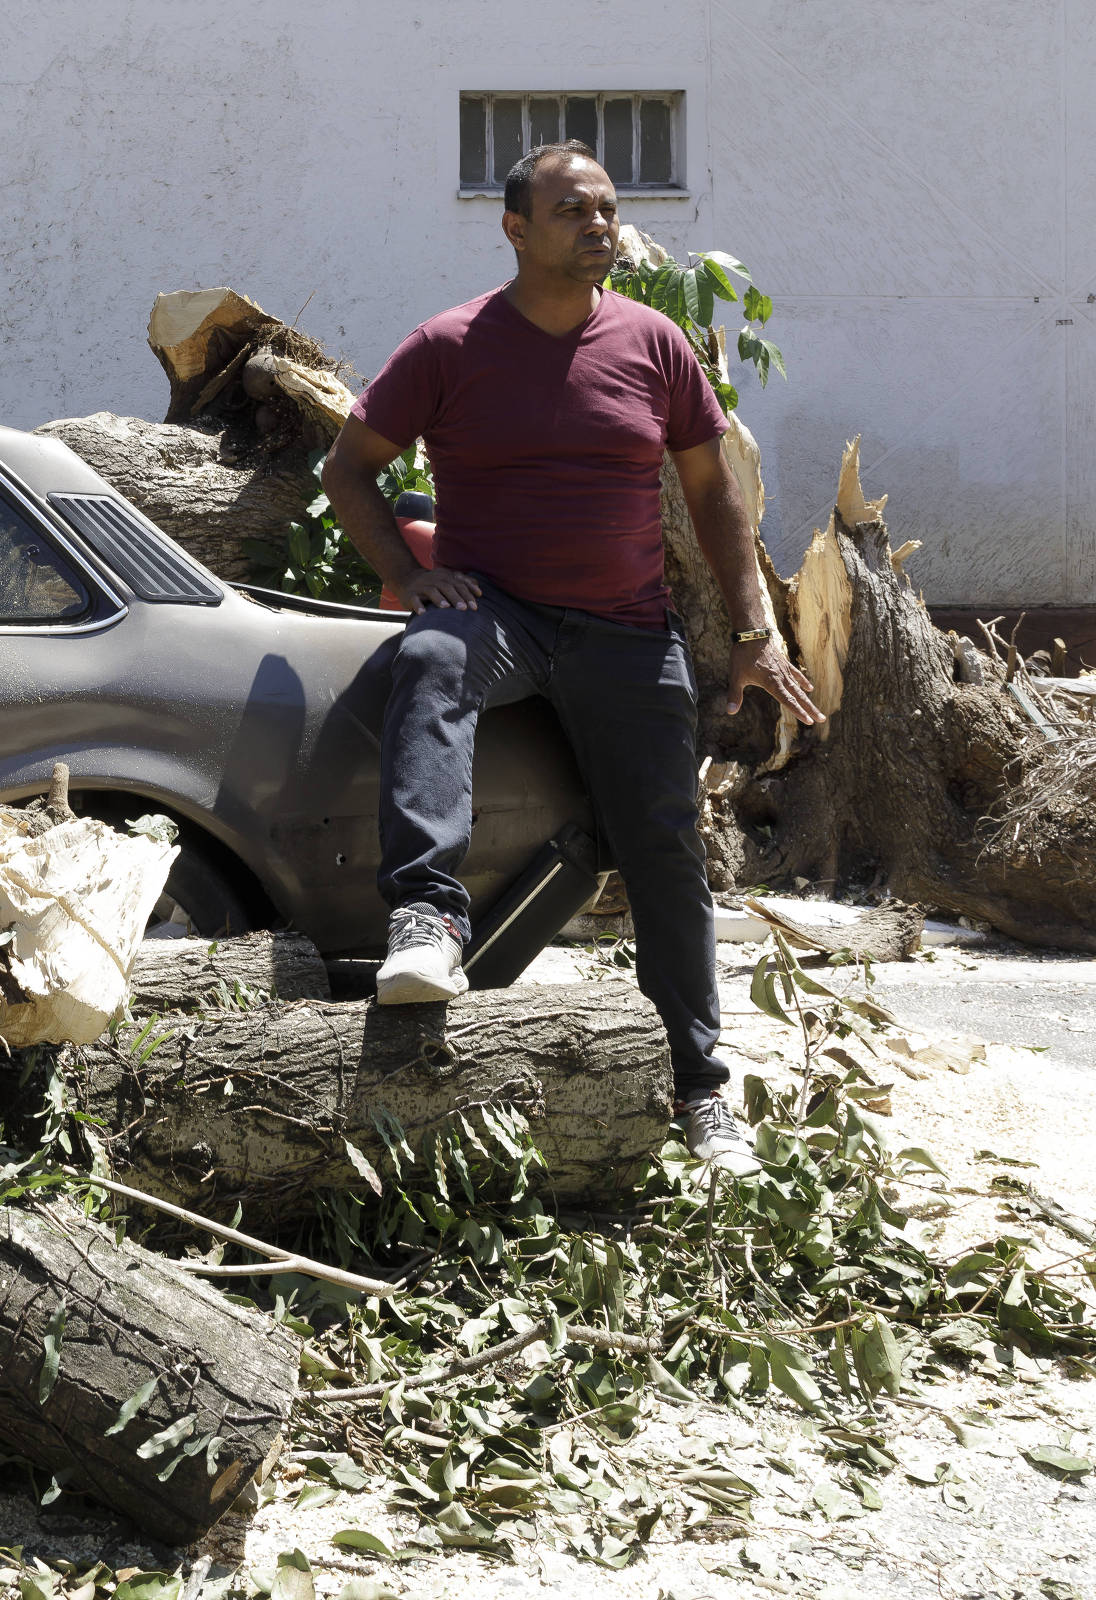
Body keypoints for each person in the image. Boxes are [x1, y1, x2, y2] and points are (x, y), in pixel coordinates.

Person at [319, 140, 822, 1172]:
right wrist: (409, 578)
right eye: (571, 210)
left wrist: (752, 627)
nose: (599, 225)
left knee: (668, 853)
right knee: (433, 657)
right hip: (496, 613)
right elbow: (349, 469)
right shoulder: (449, 346)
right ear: (515, 229)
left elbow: (711, 489)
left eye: (606, 209)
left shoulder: (655, 344)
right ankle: (424, 917)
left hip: (626, 633)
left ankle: (701, 1089)